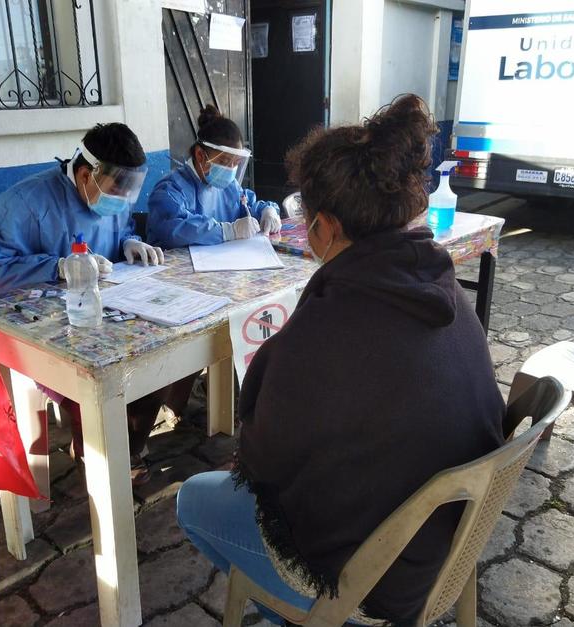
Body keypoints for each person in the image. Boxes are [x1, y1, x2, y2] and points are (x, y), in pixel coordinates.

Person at [176, 94, 506, 625]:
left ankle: (303, 615)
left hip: (379, 580)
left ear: (325, 227)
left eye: (304, 218)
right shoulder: (439, 284)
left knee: (194, 500)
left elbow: (263, 467)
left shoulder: (329, 328)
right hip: (449, 547)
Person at [0, 122, 195, 486]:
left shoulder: (108, 191)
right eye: (117, 189)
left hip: (109, 307)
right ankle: (101, 454)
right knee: (91, 384)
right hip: (49, 325)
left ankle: (128, 447)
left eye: (129, 191)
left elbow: (119, 226)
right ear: (84, 174)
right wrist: (60, 267)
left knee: (159, 359)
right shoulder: (23, 205)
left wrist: (129, 242)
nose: (123, 200)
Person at [146, 105, 283, 249]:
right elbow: (174, 229)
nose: (230, 170)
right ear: (200, 155)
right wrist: (228, 231)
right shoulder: (170, 189)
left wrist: (267, 211)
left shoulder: (229, 187)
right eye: (223, 161)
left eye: (235, 163)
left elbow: (248, 206)